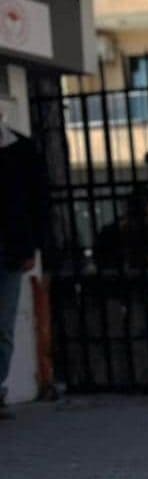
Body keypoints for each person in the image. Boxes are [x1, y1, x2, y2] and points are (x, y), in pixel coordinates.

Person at [0, 108, 46, 420]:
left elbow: (37, 201)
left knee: (3, 325)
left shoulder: (22, 150)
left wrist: (33, 248)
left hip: (10, 251)